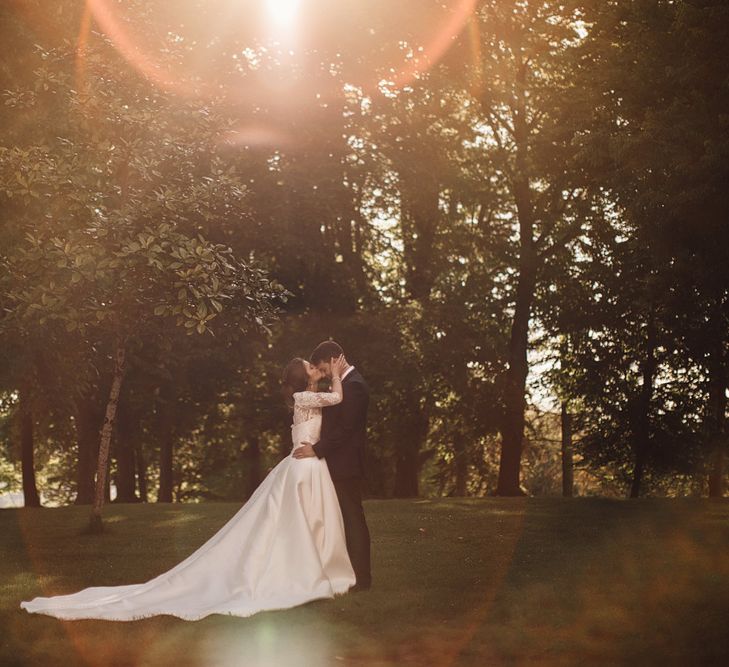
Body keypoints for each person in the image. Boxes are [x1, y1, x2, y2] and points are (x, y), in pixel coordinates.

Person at [20, 355, 355, 621]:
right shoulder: (305, 395)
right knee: (300, 524)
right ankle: (304, 575)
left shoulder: (303, 395)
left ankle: (310, 570)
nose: (317, 368)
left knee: (302, 524)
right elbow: (338, 397)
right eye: (311, 367)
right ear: (304, 377)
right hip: (304, 466)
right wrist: (338, 373)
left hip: (305, 464)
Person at [293, 340, 372, 591]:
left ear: (335, 359)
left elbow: (346, 430)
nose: (325, 374)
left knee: (352, 520)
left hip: (346, 465)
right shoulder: (344, 384)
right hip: (335, 463)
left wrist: (316, 450)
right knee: (340, 521)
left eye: (324, 369)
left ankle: (362, 579)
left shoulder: (355, 386)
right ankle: (342, 573)